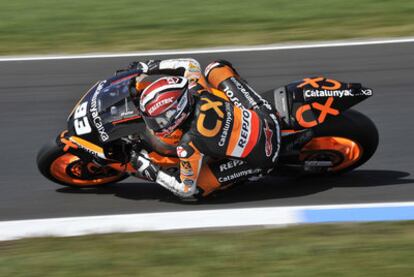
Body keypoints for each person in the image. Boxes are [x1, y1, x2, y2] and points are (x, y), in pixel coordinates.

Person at [128, 58, 280, 198]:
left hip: (265, 155)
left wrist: (153, 172)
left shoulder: (188, 145)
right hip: (265, 115)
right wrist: (148, 66)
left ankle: (249, 175)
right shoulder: (197, 90)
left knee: (198, 190)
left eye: (159, 120)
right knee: (215, 67)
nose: (155, 126)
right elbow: (190, 64)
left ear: (178, 112)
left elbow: (185, 189)